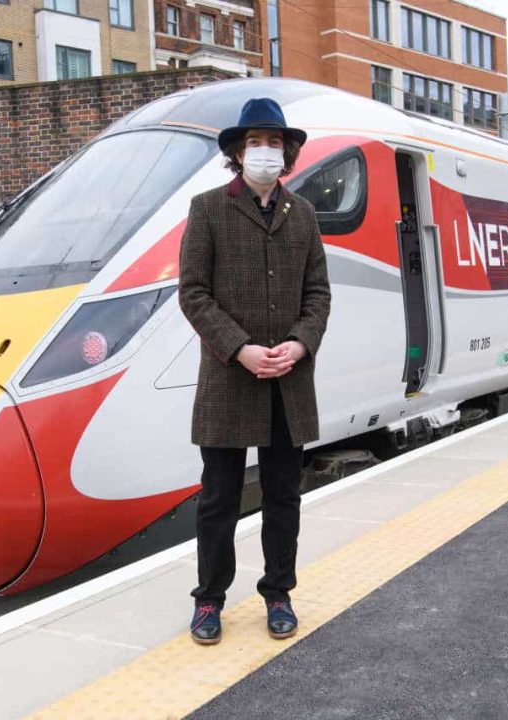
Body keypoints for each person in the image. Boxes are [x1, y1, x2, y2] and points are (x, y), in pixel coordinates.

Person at [178, 98, 331, 645]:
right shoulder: (207, 209)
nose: (264, 151)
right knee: (218, 497)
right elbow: (193, 294)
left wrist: (299, 343)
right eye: (254, 142)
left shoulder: (305, 215)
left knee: (283, 494)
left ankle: (278, 593)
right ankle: (209, 600)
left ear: (286, 152)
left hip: (288, 382)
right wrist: (240, 347)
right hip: (227, 378)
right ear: (238, 153)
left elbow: (318, 295)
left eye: (273, 142)